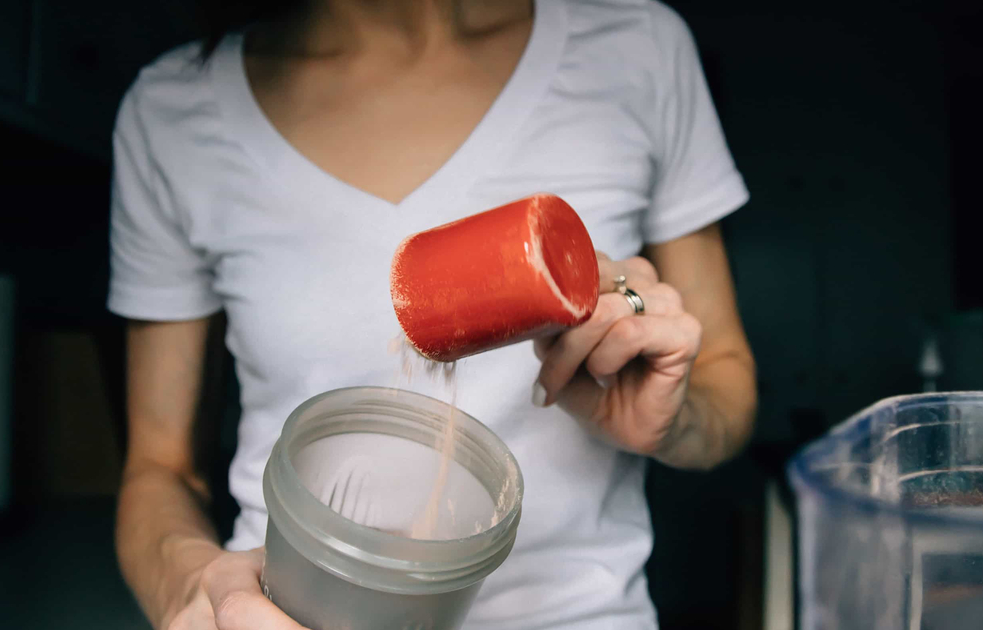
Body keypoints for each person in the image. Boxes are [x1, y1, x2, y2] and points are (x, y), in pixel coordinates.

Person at [109, 0, 757, 628]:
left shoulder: (636, 47)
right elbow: (158, 469)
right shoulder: (173, 110)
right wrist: (194, 585)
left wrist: (672, 422)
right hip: (288, 611)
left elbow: (727, 388)